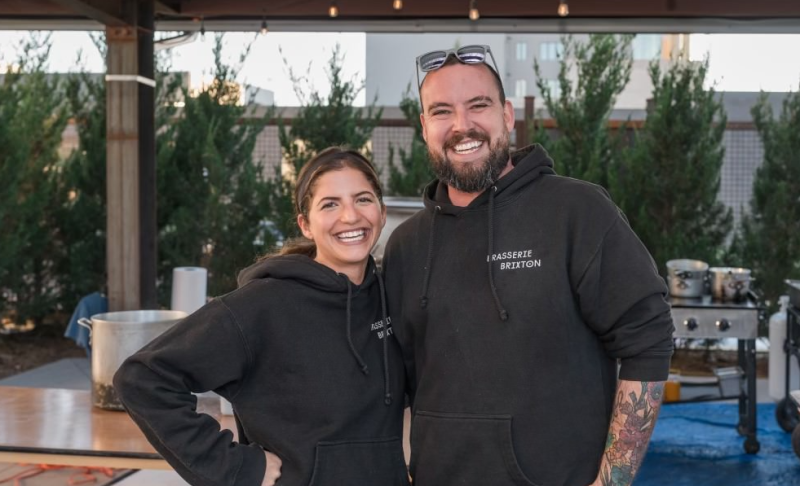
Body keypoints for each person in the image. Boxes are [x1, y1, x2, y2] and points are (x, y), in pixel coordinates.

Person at [382, 45, 675, 486]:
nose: (462, 126)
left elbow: (648, 338)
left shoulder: (576, 211)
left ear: (507, 114)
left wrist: (611, 482)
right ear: (424, 127)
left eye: (478, 105)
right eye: (442, 112)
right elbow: (395, 382)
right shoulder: (407, 244)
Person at [114, 147, 409, 486]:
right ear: (306, 225)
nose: (350, 216)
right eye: (330, 204)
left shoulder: (391, 296)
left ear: (382, 213)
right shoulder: (263, 305)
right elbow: (143, 379)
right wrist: (237, 467)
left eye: (363, 200)